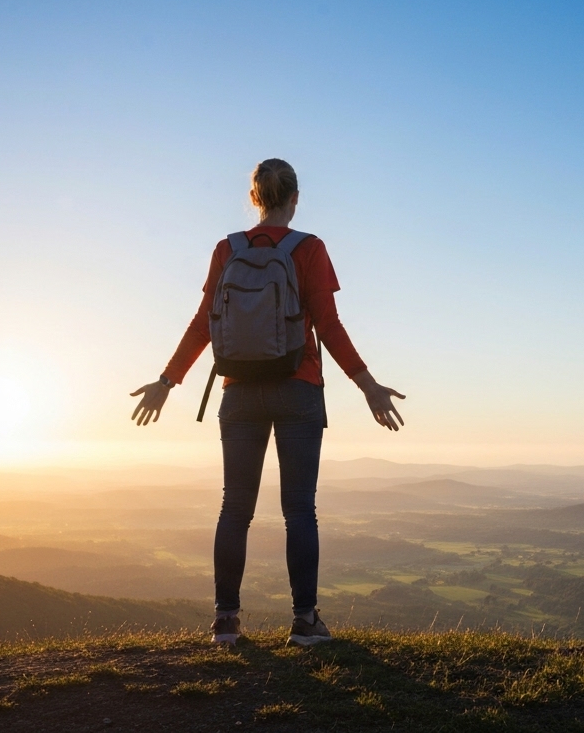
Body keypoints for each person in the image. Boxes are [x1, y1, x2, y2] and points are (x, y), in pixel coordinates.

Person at [128, 158, 405, 646]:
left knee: (235, 508)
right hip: (299, 388)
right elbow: (328, 324)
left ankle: (227, 622)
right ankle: (304, 622)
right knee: (299, 509)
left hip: (237, 391)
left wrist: (167, 382)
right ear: (294, 199)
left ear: (254, 198)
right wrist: (369, 386)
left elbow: (202, 323)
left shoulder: (227, 249)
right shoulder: (309, 248)